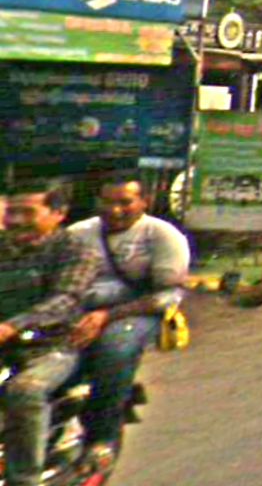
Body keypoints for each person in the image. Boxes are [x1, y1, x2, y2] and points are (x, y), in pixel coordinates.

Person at [68, 174, 190, 460]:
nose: (115, 210)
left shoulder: (161, 235)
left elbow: (167, 295)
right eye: (107, 202)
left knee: (114, 349)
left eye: (125, 202)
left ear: (144, 202)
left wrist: (106, 316)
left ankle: (102, 437)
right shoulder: (77, 234)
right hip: (80, 310)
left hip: (137, 312)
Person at [0, 178, 99, 486]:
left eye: (28, 212)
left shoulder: (75, 250)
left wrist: (12, 325)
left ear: (58, 213)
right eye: (12, 212)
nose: (17, 220)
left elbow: (65, 299)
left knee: (25, 391)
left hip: (51, 345)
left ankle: (23, 479)